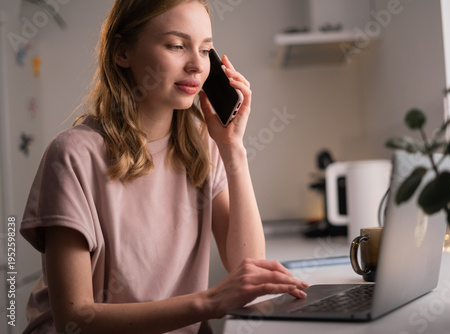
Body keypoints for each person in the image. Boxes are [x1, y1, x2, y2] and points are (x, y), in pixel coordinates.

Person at [19, 0, 308, 333]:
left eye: (205, 50)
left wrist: (233, 151)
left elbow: (247, 268)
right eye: (176, 46)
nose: (196, 66)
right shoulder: (72, 155)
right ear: (122, 52)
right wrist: (209, 303)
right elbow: (75, 317)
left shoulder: (204, 146)